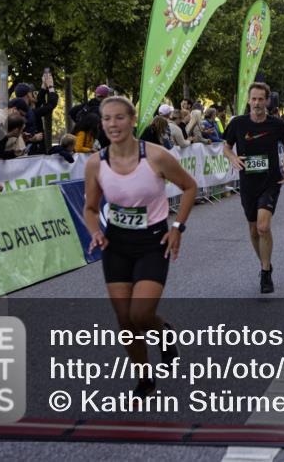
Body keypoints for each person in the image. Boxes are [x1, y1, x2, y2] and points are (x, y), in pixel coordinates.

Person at [84, 96, 197, 398]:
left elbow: (189, 187)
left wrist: (177, 228)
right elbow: (91, 208)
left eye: (119, 117)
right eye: (107, 118)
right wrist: (95, 232)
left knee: (141, 314)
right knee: (125, 320)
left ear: (133, 121)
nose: (113, 124)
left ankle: (164, 334)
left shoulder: (156, 156)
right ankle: (145, 378)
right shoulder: (96, 163)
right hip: (116, 244)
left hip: (152, 242)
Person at [223, 82, 284, 294]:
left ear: (267, 101)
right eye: (253, 99)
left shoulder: (276, 124)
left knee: (263, 227)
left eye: (260, 99)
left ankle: (265, 273)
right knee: (254, 230)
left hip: (270, 181)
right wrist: (233, 158)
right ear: (248, 100)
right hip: (248, 183)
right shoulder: (238, 123)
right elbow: (226, 147)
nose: (256, 103)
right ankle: (266, 263)